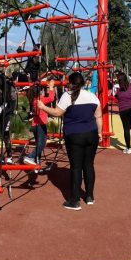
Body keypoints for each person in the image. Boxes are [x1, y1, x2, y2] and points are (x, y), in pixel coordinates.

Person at [37, 72, 102, 210]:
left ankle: (74, 200)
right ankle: (90, 196)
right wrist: (100, 132)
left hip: (74, 135)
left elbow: (57, 112)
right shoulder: (92, 96)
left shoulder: (68, 96)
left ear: (71, 83)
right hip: (91, 134)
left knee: (76, 167)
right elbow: (98, 116)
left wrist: (42, 107)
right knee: (89, 165)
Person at [24, 80, 55, 167]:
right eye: (42, 90)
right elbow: (51, 98)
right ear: (40, 92)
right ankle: (30, 157)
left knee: (38, 144)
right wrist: (51, 88)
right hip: (40, 125)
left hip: (35, 125)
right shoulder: (40, 100)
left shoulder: (33, 99)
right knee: (42, 144)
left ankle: (37, 162)